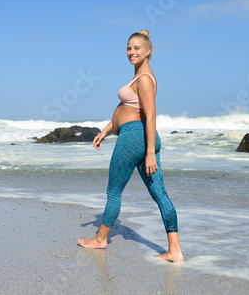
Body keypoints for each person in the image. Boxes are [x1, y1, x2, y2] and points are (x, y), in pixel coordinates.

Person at [78, 30, 184, 262]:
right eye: (129, 48)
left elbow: (151, 116)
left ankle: (100, 239)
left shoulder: (145, 79)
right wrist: (105, 131)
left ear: (148, 51)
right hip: (138, 137)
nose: (132, 52)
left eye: (137, 48)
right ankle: (174, 250)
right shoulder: (139, 77)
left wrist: (149, 154)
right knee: (160, 194)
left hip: (134, 139)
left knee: (114, 191)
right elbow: (125, 109)